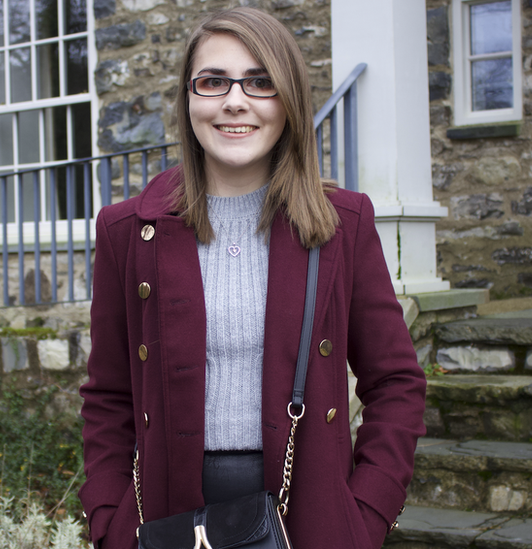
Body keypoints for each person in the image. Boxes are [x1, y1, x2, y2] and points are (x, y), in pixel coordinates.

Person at [78, 7, 426, 549]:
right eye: (213, 81)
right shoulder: (128, 231)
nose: (235, 101)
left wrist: (366, 514)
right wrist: (108, 520)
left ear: (288, 100)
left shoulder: (343, 224)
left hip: (310, 520)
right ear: (188, 98)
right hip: (165, 521)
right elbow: (108, 397)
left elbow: (396, 384)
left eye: (260, 82)